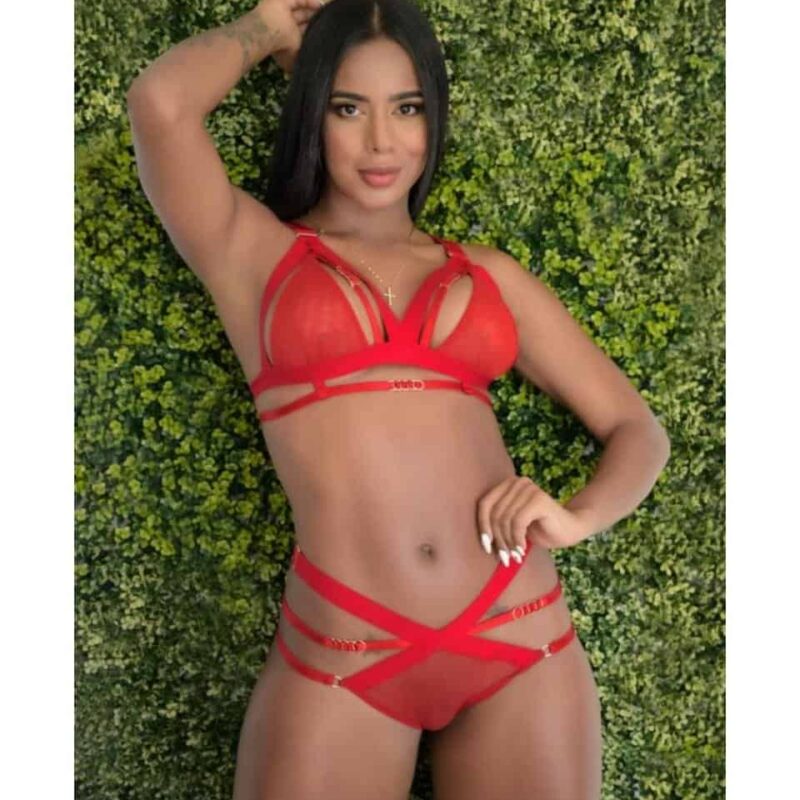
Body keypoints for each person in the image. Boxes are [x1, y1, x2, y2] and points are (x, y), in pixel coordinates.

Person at [126, 1, 671, 798]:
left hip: (521, 635)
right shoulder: (251, 251)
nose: (382, 142)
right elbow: (161, 105)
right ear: (314, 114)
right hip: (344, 651)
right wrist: (268, 28)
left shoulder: (488, 274)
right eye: (348, 108)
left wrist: (578, 516)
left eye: (407, 108)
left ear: (433, 116)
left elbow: (636, 429)